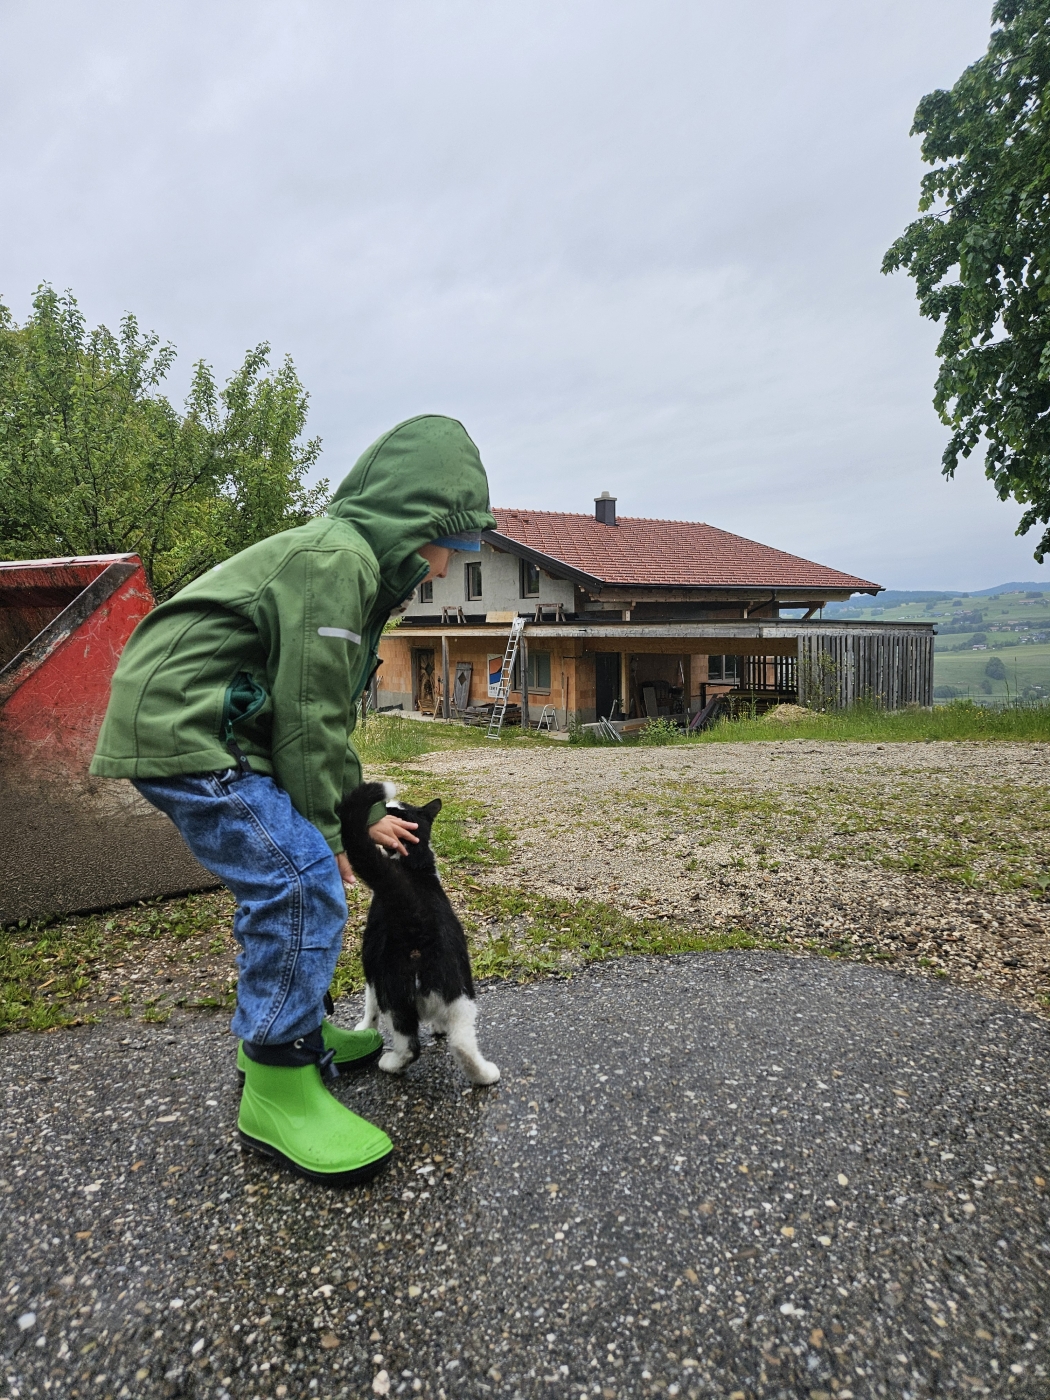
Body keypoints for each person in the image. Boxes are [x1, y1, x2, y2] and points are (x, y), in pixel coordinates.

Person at [90, 414, 495, 1187]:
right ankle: (276, 1083)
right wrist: (341, 823)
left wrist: (351, 809)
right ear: (417, 526)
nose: (448, 567)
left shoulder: (351, 567)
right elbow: (309, 715)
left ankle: (294, 1035)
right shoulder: (336, 562)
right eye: (457, 546)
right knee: (300, 880)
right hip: (190, 729)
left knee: (293, 874)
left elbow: (322, 714)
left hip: (222, 725)